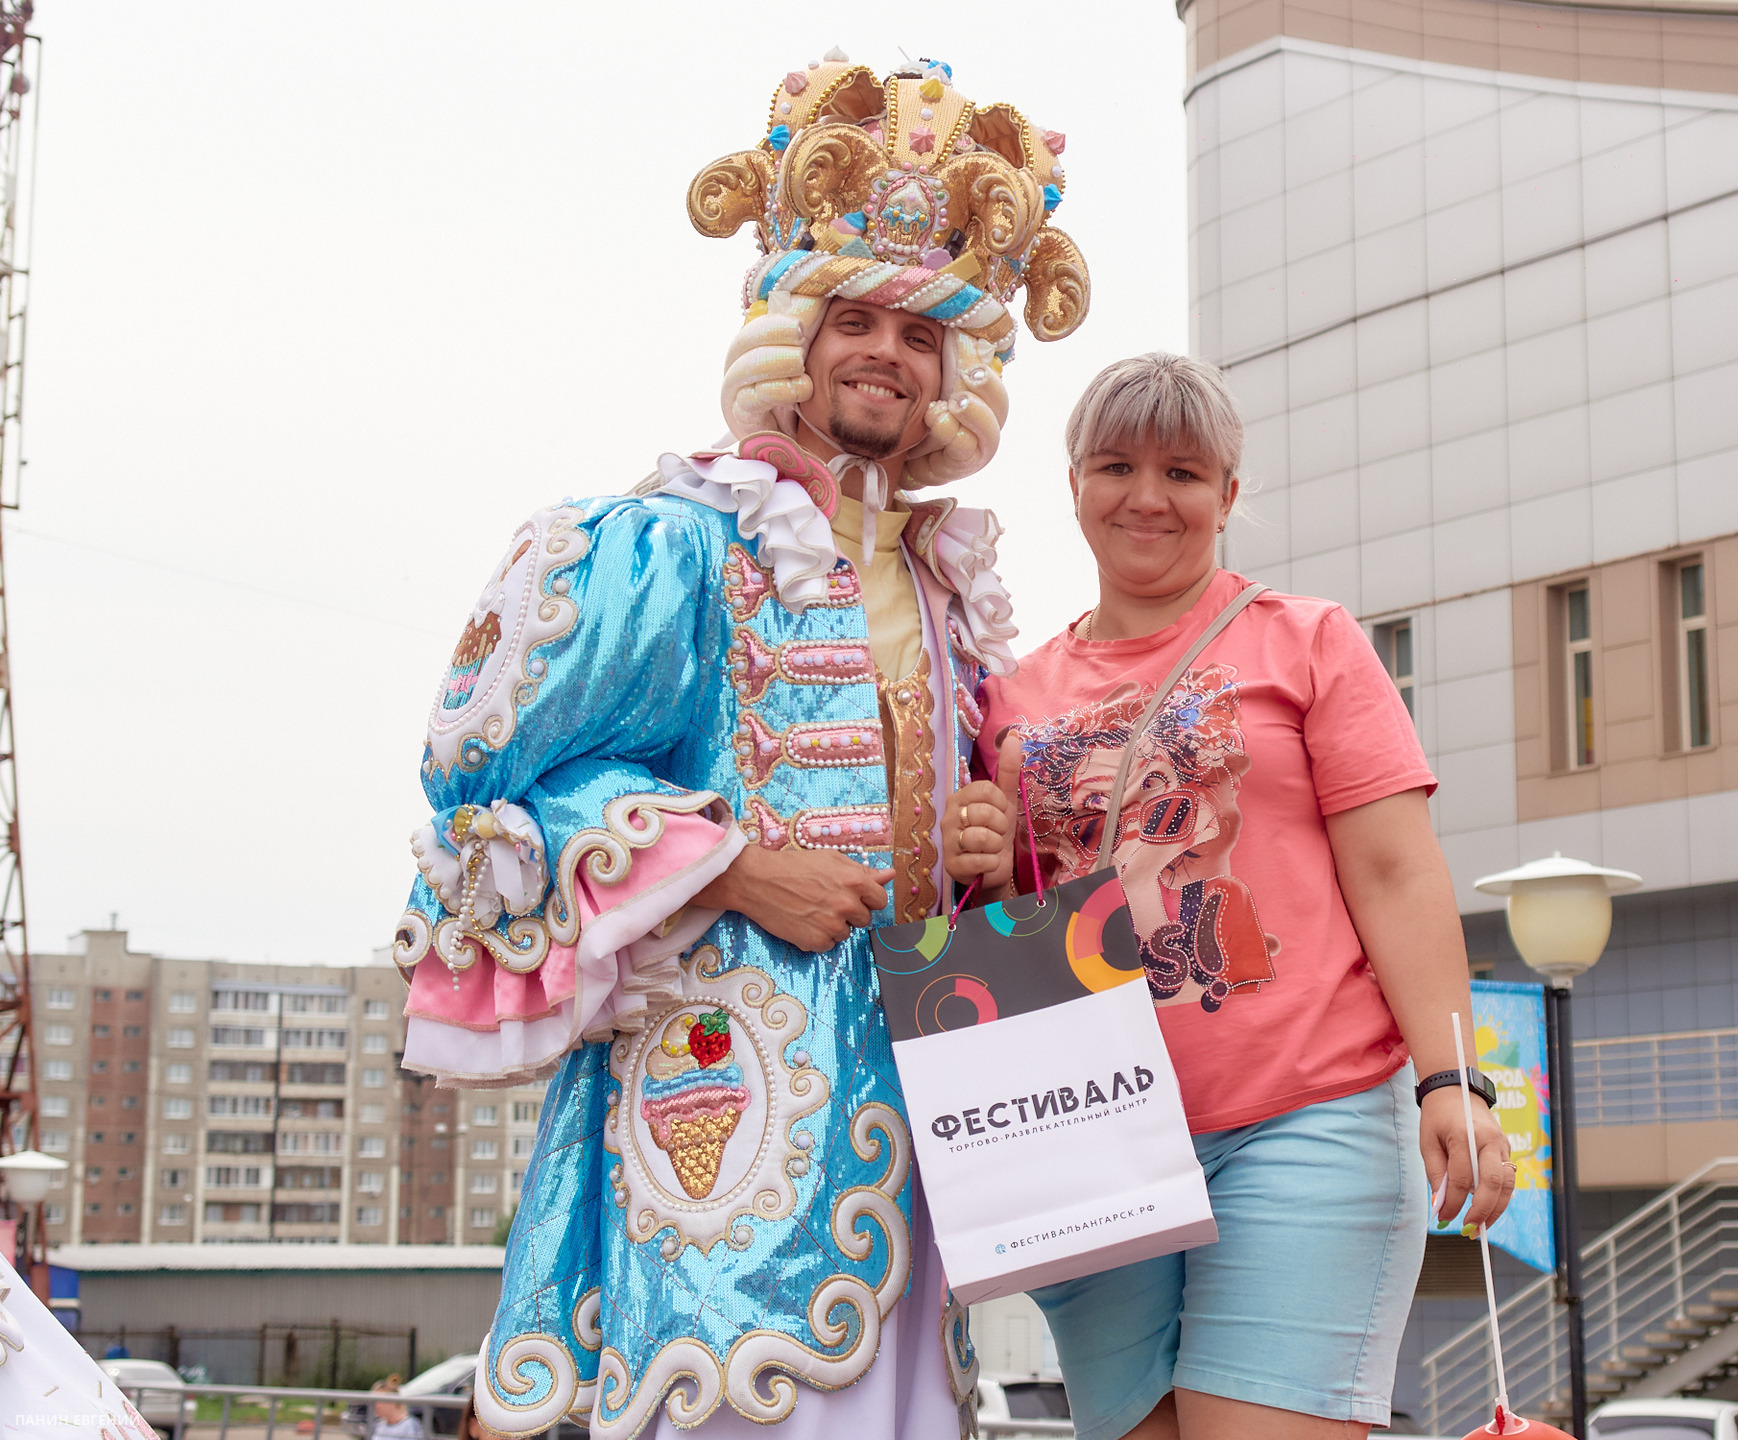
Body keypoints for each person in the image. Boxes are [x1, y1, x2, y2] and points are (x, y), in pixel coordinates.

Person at [389, 52, 1090, 1439]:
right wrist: (734, 867)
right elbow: (488, 784)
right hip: (727, 1084)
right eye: (855, 320)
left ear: (954, 369)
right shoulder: (677, 543)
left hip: (918, 1086)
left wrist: (979, 841)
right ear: (795, 339)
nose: (886, 353)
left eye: (920, 332)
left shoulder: (952, 588)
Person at [946, 353, 1514, 1440]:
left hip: (1306, 1121)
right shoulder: (1008, 698)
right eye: (1117, 466)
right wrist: (979, 857)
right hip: (1090, 1141)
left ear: (1228, 494)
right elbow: (1007, 926)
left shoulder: (1309, 641)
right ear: (1074, 483)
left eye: (1183, 472)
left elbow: (1397, 872)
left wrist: (1453, 1081)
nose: (1148, 496)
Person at [369, 1376, 425, 1440]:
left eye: (380, 1401)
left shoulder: (410, 1425)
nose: (376, 1406)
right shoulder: (380, 1425)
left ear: (392, 1401)